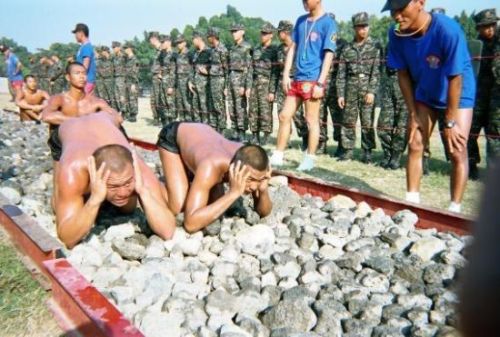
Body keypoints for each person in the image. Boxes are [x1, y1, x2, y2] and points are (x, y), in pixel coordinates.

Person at [383, 0, 476, 213]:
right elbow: (403, 74)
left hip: (458, 93)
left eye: (401, 9)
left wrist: (450, 121)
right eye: (392, 11)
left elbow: (456, 78)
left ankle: (454, 210)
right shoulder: (396, 33)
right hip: (425, 91)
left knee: (456, 148)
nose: (397, 16)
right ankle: (411, 204)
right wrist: (413, 112)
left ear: (420, 3)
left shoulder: (447, 30)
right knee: (415, 142)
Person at [54, 112, 175, 248]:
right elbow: (67, 238)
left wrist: (143, 192)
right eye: (113, 186)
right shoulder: (73, 169)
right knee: (56, 205)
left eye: (127, 183)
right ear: (95, 176)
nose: (123, 192)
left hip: (109, 123)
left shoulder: (139, 169)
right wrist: (94, 200)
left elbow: (168, 231)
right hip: (69, 129)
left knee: (127, 208)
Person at [157, 122, 272, 232]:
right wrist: (233, 194)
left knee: (215, 209)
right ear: (235, 167)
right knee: (178, 207)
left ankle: (191, 177)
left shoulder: (252, 165)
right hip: (174, 136)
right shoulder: (211, 166)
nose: (254, 186)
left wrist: (263, 191)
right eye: (250, 179)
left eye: (259, 180)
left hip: (204, 140)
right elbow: (190, 224)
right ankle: (154, 183)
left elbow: (263, 212)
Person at [41, 62, 125, 210]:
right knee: (57, 201)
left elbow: (117, 118)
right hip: (64, 145)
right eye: (77, 73)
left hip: (88, 144)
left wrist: (105, 117)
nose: (82, 77)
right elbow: (47, 116)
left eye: (84, 73)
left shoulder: (94, 101)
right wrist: (79, 121)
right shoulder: (59, 99)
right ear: (68, 77)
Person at [270, 0, 337, 171]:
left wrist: (320, 83)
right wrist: (286, 74)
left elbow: (328, 55)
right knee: (284, 116)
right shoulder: (301, 21)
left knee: (311, 120)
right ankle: (278, 155)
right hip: (297, 79)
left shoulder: (328, 23)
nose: (304, 3)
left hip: (313, 79)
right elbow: (293, 47)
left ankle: (309, 158)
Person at [336, 12, 381, 163]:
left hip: (367, 87)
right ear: (354, 28)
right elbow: (341, 73)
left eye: (365, 26)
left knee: (367, 122)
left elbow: (376, 72)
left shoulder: (375, 46)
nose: (363, 29)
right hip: (350, 88)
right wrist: (340, 94)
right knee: (348, 120)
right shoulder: (347, 49)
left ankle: (367, 152)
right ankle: (347, 151)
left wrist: (371, 91)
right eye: (360, 27)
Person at [467, 9, 500, 179]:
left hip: (497, 99)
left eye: (492, 25)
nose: (489, 29)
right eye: (484, 26)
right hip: (477, 96)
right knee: (470, 132)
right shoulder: (475, 46)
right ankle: (470, 166)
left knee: (494, 135)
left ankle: (494, 172)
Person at [378, 45, 408, 170]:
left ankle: (396, 157)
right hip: (389, 85)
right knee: (383, 124)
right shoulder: (389, 46)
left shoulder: (410, 44)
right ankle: (387, 154)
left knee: (402, 126)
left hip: (405, 85)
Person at [249, 23, 279, 146]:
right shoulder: (256, 50)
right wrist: (248, 86)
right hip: (255, 83)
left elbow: (275, 72)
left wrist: (272, 90)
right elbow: (251, 68)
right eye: (262, 33)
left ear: (271, 35)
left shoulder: (274, 51)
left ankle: (266, 136)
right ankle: (255, 135)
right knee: (253, 110)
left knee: (266, 111)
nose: (262, 35)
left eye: (265, 33)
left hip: (266, 84)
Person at [228, 23, 253, 142]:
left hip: (240, 81)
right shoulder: (232, 48)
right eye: (232, 31)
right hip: (231, 79)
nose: (233, 33)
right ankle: (235, 132)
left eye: (236, 31)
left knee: (240, 108)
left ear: (242, 32)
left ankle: (242, 133)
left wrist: (245, 85)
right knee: (232, 107)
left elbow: (249, 68)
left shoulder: (246, 47)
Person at [207, 27, 228, 133]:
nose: (207, 38)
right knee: (212, 105)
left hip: (220, 81)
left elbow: (226, 69)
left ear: (214, 37)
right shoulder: (211, 50)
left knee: (219, 106)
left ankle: (222, 129)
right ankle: (214, 127)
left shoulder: (222, 50)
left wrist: (226, 86)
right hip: (212, 80)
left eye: (209, 36)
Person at [189, 31, 211, 124]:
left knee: (204, 106)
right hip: (195, 85)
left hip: (205, 85)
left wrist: (207, 72)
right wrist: (190, 81)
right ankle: (198, 127)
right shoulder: (195, 53)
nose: (193, 42)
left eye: (193, 39)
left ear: (199, 39)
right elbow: (192, 68)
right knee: (195, 106)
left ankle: (206, 127)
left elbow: (216, 69)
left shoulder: (209, 51)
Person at [72, 23, 96, 94]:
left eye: (76, 33)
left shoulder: (86, 47)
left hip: (86, 82)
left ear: (81, 33)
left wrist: (79, 77)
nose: (75, 36)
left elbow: (85, 66)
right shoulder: (83, 47)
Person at [174, 35, 194, 122]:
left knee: (187, 101)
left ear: (185, 43)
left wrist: (191, 80)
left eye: (180, 42)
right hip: (179, 80)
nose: (178, 44)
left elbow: (193, 68)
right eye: (177, 43)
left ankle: (189, 120)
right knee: (179, 101)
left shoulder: (189, 53)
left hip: (186, 81)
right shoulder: (177, 55)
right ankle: (182, 120)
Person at [160, 35, 177, 125]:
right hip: (163, 81)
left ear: (169, 42)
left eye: (163, 42)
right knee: (164, 103)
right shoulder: (164, 54)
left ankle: (172, 123)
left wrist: (171, 86)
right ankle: (166, 123)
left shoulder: (173, 55)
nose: (162, 44)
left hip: (169, 82)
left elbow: (173, 71)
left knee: (170, 103)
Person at [149, 31, 164, 125]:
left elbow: (165, 63)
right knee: (153, 99)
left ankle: (162, 118)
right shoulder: (156, 50)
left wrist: (161, 73)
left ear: (153, 39)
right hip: (154, 77)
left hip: (159, 77)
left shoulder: (162, 50)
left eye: (150, 40)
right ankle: (156, 118)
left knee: (159, 98)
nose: (150, 42)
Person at [123, 43, 140, 122]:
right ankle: (129, 113)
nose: (125, 50)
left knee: (133, 98)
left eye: (126, 48)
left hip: (132, 82)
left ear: (130, 49)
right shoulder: (127, 59)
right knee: (128, 98)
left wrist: (133, 83)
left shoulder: (134, 59)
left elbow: (135, 72)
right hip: (127, 81)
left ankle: (133, 115)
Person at [112, 41, 127, 114]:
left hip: (122, 77)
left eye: (114, 47)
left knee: (122, 96)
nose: (113, 49)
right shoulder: (114, 58)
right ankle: (119, 110)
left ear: (118, 47)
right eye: (112, 47)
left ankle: (124, 112)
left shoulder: (124, 56)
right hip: (116, 77)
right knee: (116, 95)